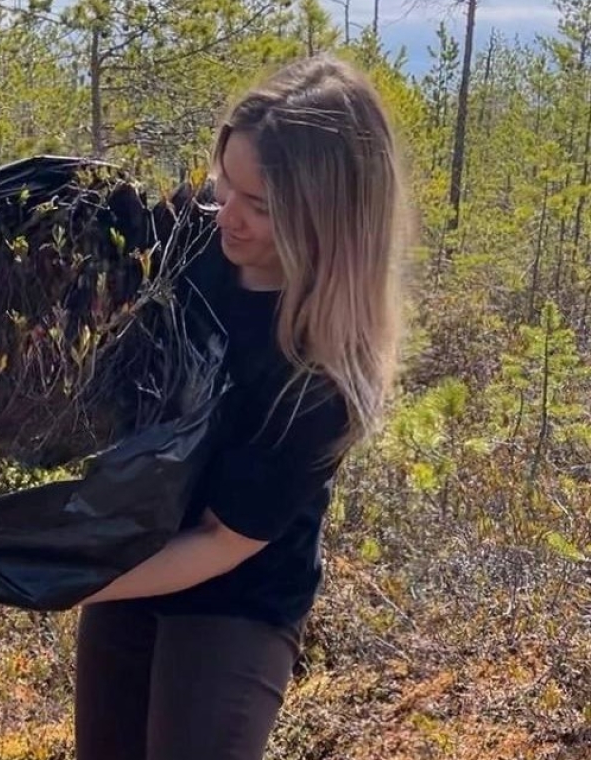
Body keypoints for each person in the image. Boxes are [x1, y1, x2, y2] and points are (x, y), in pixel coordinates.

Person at [73, 54, 410, 760]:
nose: (226, 215)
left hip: (235, 585)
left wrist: (67, 576)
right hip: (131, 540)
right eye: (226, 184)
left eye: (258, 205)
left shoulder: (320, 376)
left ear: (327, 217)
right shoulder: (191, 239)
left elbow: (223, 543)